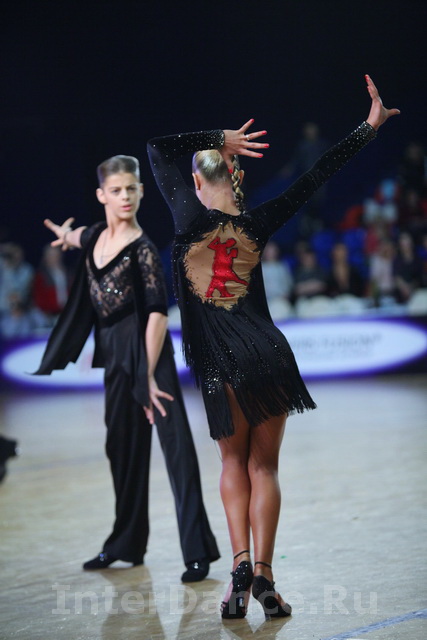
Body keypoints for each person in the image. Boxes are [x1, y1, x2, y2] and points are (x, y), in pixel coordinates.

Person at [147, 76, 399, 618]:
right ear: (234, 177)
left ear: (196, 181)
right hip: (268, 356)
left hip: (220, 365)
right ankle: (264, 575)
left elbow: (155, 149)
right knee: (266, 469)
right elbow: (318, 174)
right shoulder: (259, 222)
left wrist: (218, 136)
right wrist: (368, 127)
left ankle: (239, 565)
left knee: (232, 465)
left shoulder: (186, 219)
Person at [34, 155, 220, 582]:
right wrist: (65, 235)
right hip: (114, 355)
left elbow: (157, 315)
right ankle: (126, 544)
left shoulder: (144, 251)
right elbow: (81, 236)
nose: (125, 197)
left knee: (177, 450)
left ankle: (198, 551)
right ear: (102, 195)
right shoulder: (96, 236)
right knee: (122, 448)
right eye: (116, 191)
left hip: (148, 353)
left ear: (140, 192)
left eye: (132, 189)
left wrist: (147, 375)